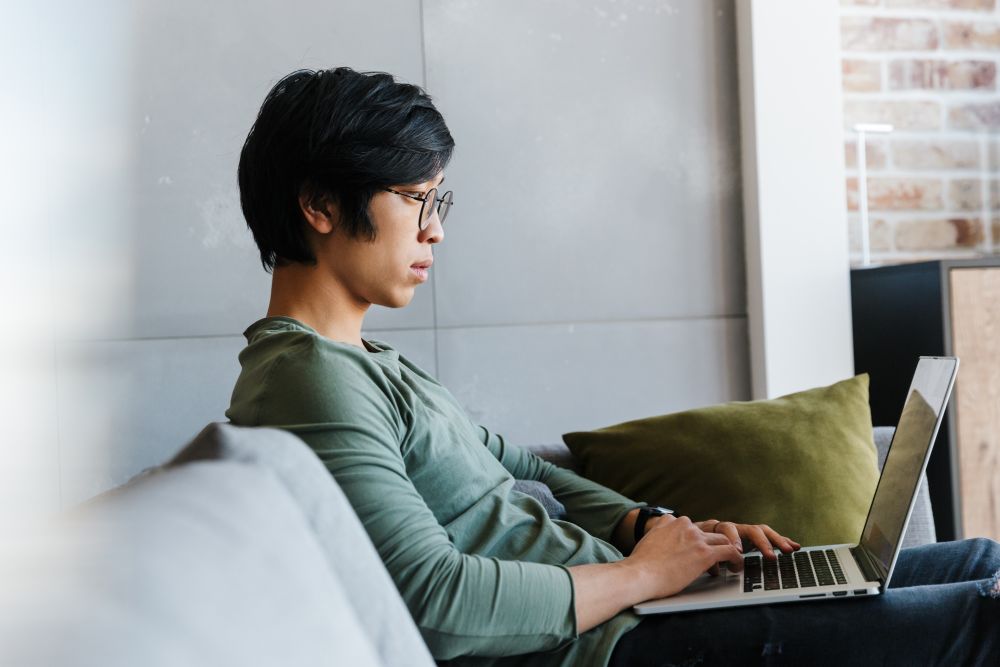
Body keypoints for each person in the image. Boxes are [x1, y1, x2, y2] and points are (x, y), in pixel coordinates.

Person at [226, 66, 1000, 666]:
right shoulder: (307, 381)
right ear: (321, 204)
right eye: (415, 198)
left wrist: (656, 529)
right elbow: (436, 601)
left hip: (641, 609)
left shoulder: (368, 362)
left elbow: (522, 464)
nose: (434, 230)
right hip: (616, 644)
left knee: (980, 559)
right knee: (984, 615)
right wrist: (646, 575)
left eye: (440, 201)